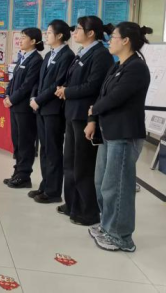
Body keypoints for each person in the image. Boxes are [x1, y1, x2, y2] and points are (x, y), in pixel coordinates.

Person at [86, 22, 152, 252]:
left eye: (113, 37)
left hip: (125, 134)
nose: (109, 41)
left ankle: (121, 237)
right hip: (109, 132)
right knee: (102, 183)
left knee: (118, 186)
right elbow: (103, 93)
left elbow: (116, 97)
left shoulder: (137, 67)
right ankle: (107, 226)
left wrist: (94, 109)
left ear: (125, 41)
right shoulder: (118, 66)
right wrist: (93, 117)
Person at [55, 16, 114, 226]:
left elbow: (94, 86)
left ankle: (88, 211)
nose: (74, 32)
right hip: (72, 113)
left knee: (83, 165)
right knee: (70, 162)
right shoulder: (82, 51)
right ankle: (72, 204)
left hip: (84, 115)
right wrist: (64, 88)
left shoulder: (101, 55)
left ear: (91, 33)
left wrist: (67, 91)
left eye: (79, 29)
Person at [29, 20, 75, 203]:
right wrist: (34, 98)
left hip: (54, 109)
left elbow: (58, 83)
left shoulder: (67, 55)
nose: (46, 35)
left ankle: (53, 191)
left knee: (53, 150)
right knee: (44, 150)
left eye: (49, 32)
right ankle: (45, 185)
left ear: (60, 35)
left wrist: (39, 100)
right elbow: (40, 81)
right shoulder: (49, 54)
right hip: (41, 108)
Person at [3, 28, 44, 189]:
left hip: (25, 109)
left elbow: (27, 85)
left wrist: (12, 99)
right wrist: (7, 95)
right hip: (15, 107)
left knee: (25, 142)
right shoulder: (22, 57)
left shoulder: (36, 60)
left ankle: (24, 176)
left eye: (24, 37)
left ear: (33, 41)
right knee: (17, 142)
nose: (20, 40)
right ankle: (17, 172)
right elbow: (13, 80)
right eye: (20, 37)